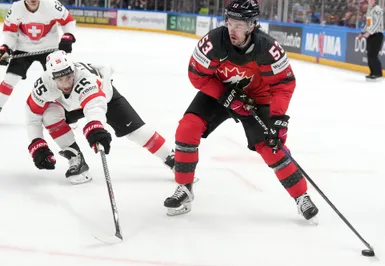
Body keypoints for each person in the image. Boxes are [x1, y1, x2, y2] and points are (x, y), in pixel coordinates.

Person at [164, 0, 319, 222]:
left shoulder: (267, 48)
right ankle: (184, 188)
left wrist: (278, 120)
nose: (232, 29)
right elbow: (196, 75)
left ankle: (301, 197)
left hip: (258, 100)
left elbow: (283, 85)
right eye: (230, 22)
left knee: (272, 146)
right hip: (219, 92)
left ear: (252, 25)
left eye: (239, 25)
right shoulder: (214, 42)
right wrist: (224, 95)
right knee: (187, 128)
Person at [26, 50, 175, 184]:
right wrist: (37, 142)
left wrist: (96, 127)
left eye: (69, 76)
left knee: (136, 131)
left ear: (73, 70)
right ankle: (75, 158)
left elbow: (95, 107)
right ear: (52, 78)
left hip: (103, 96)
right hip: (70, 106)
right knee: (49, 114)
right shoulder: (43, 86)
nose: (66, 83)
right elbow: (33, 115)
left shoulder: (85, 78)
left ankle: (171, 158)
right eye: (60, 79)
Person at [0, 0, 76, 113]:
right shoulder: (16, 8)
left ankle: (68, 112)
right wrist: (5, 48)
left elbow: (68, 21)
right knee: (10, 79)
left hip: (50, 49)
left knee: (61, 80)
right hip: (23, 48)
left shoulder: (51, 4)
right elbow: (10, 32)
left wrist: (68, 35)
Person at [357, 0, 384, 80]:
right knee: (369, 54)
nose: (370, 1)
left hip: (377, 34)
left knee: (373, 55)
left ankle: (378, 74)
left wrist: (369, 32)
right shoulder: (369, 9)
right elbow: (368, 23)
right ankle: (372, 72)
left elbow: (377, 23)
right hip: (370, 35)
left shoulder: (378, 9)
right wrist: (362, 33)